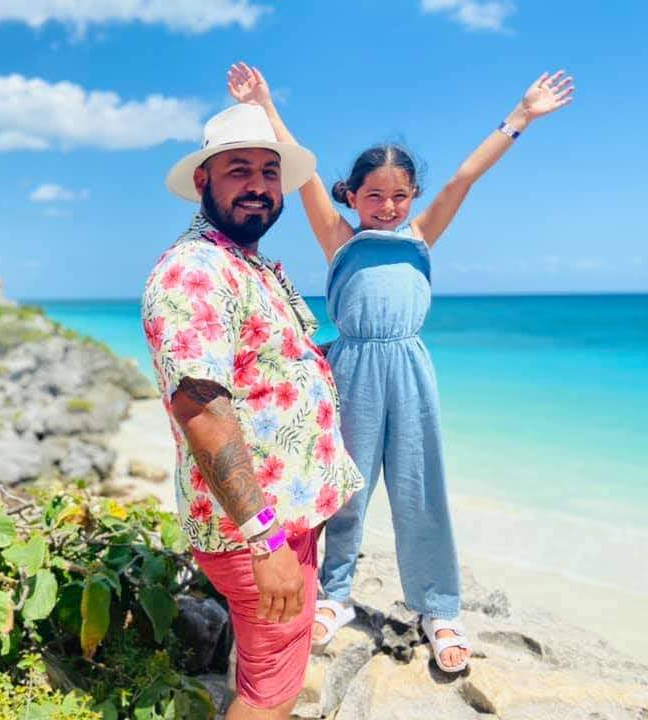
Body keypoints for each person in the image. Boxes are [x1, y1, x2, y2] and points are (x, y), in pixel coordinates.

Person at [226, 61, 573, 673]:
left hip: (410, 370)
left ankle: (438, 606)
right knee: (345, 491)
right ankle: (334, 595)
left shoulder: (419, 237)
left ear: (411, 198)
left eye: (398, 196)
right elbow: (298, 161)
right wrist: (265, 104)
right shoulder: (339, 238)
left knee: (419, 491)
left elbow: (465, 177)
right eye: (374, 196)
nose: (386, 206)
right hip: (351, 369)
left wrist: (520, 117)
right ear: (353, 196)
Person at [141, 103, 364, 718]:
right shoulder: (196, 271)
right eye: (239, 170)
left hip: (282, 520)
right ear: (203, 181)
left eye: (270, 172)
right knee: (271, 696)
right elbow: (201, 409)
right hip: (260, 531)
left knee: (266, 675)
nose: (259, 186)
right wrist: (266, 544)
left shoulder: (243, 262)